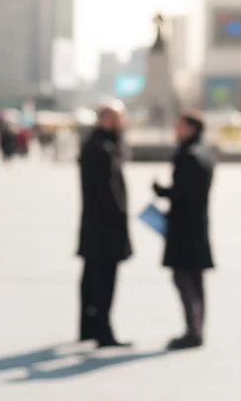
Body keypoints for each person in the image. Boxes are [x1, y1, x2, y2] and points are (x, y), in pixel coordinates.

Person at [153, 110, 215, 350]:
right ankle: (197, 328)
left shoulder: (187, 155)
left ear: (190, 127)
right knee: (196, 280)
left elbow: (185, 191)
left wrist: (163, 192)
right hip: (197, 224)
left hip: (184, 226)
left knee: (184, 277)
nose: (174, 129)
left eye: (178, 125)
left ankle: (193, 330)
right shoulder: (204, 152)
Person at [77, 100, 132, 348]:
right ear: (107, 120)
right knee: (103, 280)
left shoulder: (97, 144)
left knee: (91, 278)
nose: (124, 123)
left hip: (95, 225)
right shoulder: (103, 149)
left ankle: (89, 328)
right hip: (106, 227)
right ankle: (102, 331)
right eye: (120, 118)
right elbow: (109, 193)